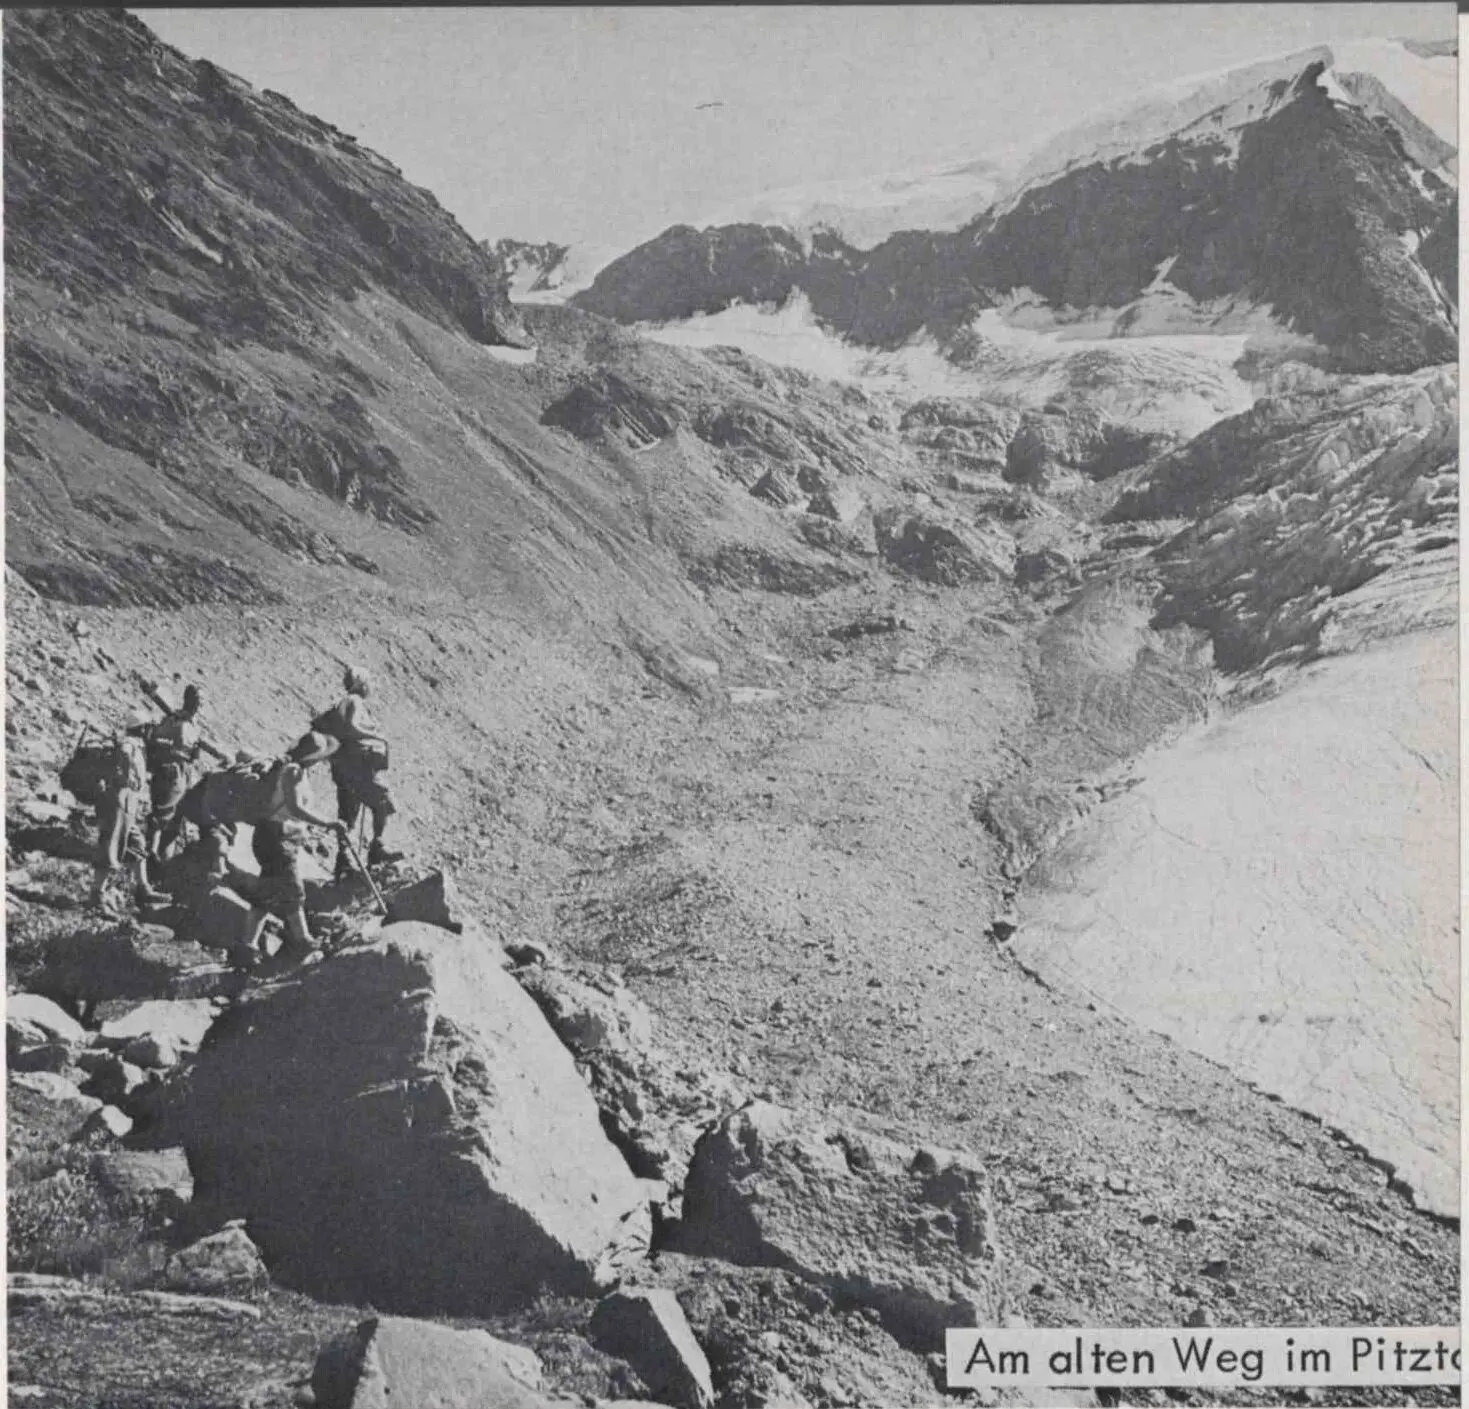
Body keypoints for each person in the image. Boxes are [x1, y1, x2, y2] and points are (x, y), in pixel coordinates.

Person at [246, 731, 345, 957]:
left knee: (265, 894)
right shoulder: (293, 771)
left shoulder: (297, 772)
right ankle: (303, 940)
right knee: (293, 888)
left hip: (276, 836)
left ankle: (247, 944)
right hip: (276, 837)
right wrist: (328, 823)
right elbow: (295, 808)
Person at [312, 666, 403, 878]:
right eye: (369, 682)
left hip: (345, 768)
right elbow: (350, 728)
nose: (371, 687)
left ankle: (343, 862)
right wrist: (375, 738)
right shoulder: (353, 701)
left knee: (348, 816)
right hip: (358, 768)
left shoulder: (349, 703)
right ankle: (376, 849)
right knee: (383, 801)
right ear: (363, 683)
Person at [87, 718, 168, 916]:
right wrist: (127, 774)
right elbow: (123, 755)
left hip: (127, 802)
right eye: (149, 727)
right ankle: (96, 895)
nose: (152, 731)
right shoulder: (129, 743)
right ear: (142, 728)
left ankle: (143, 888)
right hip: (118, 801)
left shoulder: (136, 744)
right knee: (111, 846)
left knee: (137, 844)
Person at [144, 683, 208, 862]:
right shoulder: (173, 719)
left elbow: (195, 752)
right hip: (171, 771)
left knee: (177, 816)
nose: (199, 705)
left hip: (184, 772)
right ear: (188, 700)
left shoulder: (193, 725)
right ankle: (149, 853)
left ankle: (164, 858)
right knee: (163, 812)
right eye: (197, 700)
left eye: (201, 701)